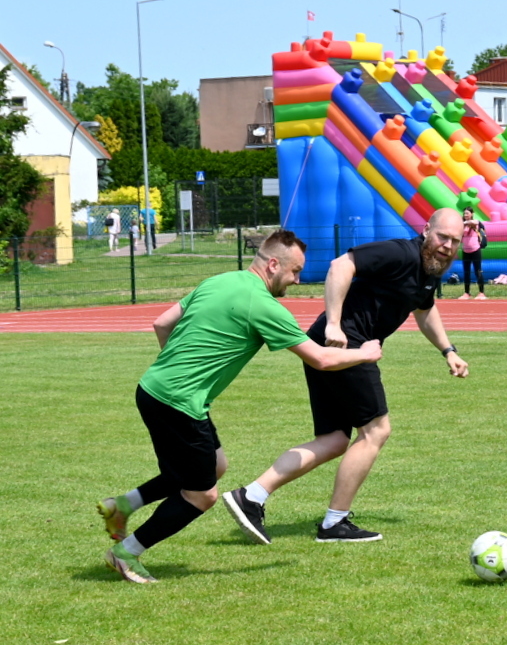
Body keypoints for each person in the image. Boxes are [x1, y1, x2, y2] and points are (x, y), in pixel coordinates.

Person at [95, 230, 384, 583]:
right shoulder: (264, 306)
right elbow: (321, 359)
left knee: (213, 465)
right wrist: (365, 353)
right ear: (273, 264)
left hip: (153, 389)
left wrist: (181, 371)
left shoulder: (220, 280)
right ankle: (127, 552)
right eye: (294, 271)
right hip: (178, 402)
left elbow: (163, 322)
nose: (297, 280)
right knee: (202, 495)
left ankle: (123, 505)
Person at [221, 210, 468, 546]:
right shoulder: (401, 252)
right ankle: (334, 523)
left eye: (454, 241)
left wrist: (448, 351)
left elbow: (423, 309)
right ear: (427, 230)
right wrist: (335, 323)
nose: (447, 245)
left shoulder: (428, 270)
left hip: (328, 342)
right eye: (442, 237)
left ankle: (251, 496)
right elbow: (342, 265)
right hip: (346, 341)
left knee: (336, 439)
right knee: (376, 431)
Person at [459, 207, 487, 299]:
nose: (465, 215)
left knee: (478, 271)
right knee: (466, 272)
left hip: (475, 250)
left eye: (467, 213)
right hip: (465, 251)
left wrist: (464, 222)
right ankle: (467, 293)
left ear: (472, 214)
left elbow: (476, 222)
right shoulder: (462, 225)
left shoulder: (475, 223)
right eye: (464, 214)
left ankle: (481, 292)